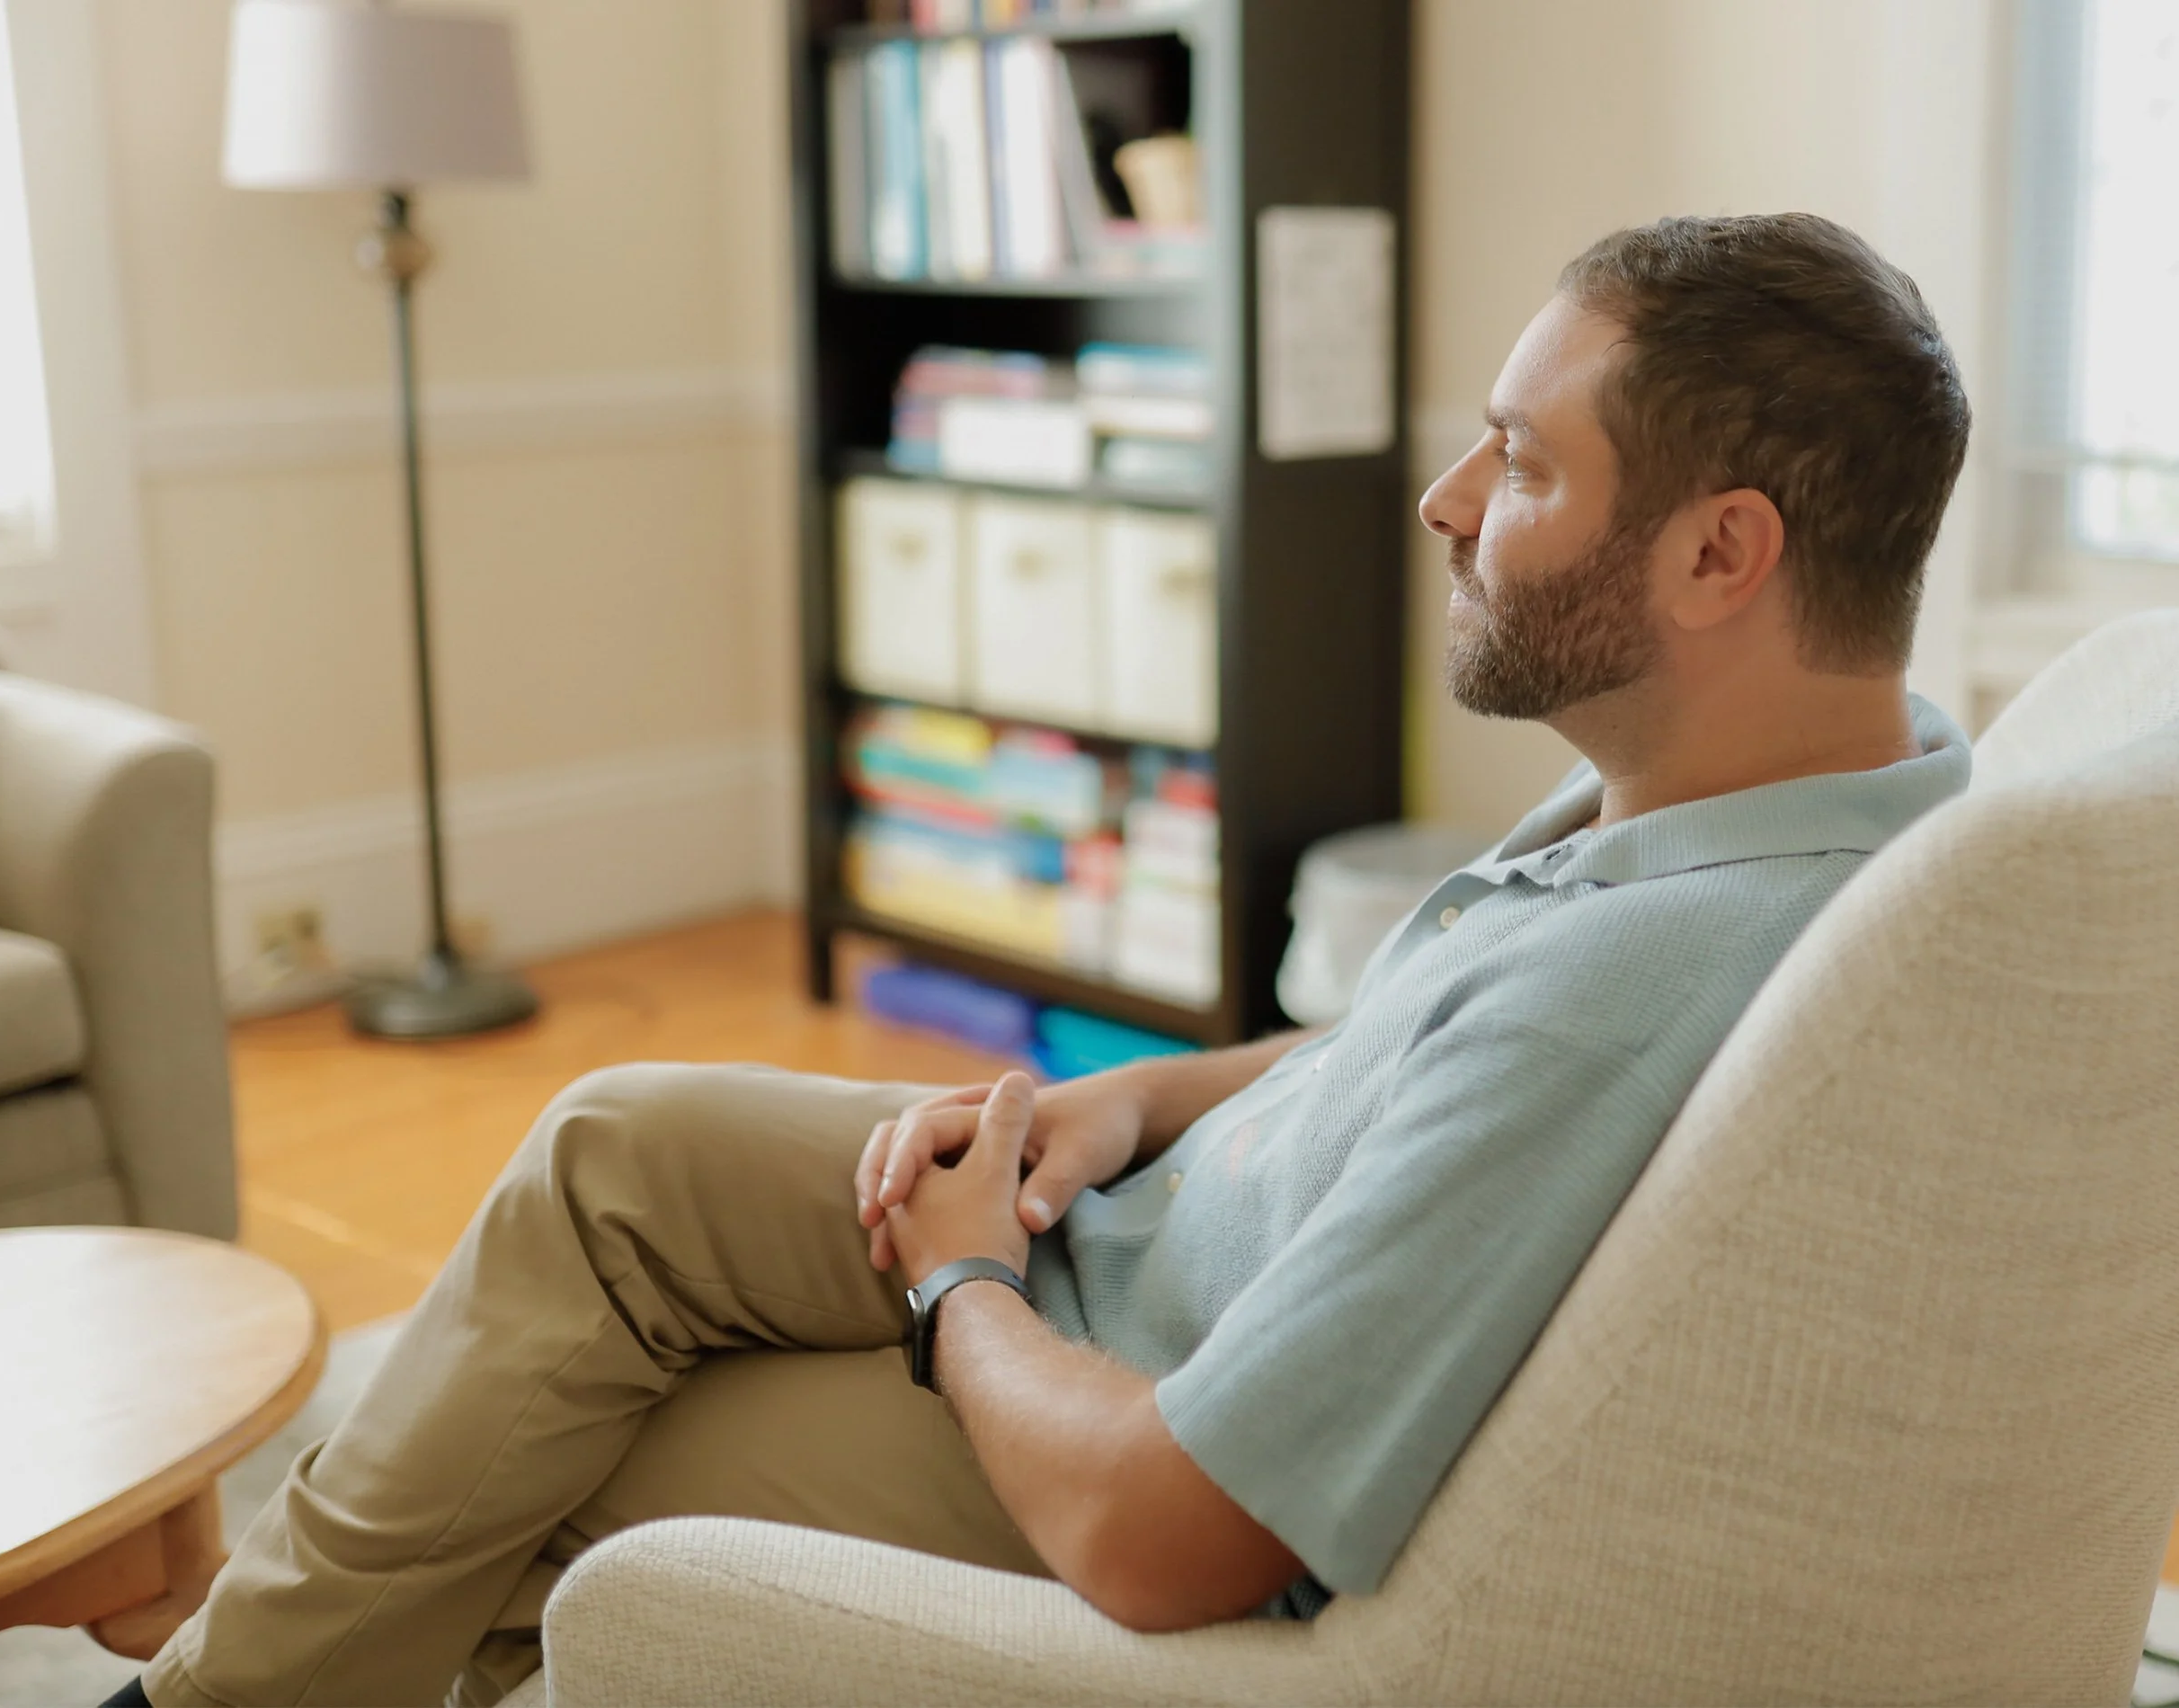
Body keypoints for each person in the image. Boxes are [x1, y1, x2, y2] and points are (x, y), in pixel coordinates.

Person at [115, 211, 1974, 1708]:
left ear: (1721, 551)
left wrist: (959, 1296)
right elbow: (1406, 1031)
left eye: (1522, 459)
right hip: (1120, 1236)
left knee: (545, 1465)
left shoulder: (1627, 993)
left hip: (1112, 1391)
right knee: (613, 1157)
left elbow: (1165, 1532)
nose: (1446, 497)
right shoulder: (1818, 782)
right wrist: (1133, 1096)